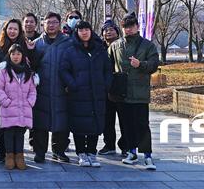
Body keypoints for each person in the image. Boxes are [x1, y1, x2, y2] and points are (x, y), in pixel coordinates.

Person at [108, 12, 160, 170]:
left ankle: (147, 155)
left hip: (139, 93)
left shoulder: (147, 45)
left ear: (137, 27)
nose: (128, 30)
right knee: (126, 124)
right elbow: (108, 67)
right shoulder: (115, 45)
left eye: (131, 27)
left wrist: (141, 65)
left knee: (142, 125)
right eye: (125, 27)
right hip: (121, 92)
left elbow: (154, 64)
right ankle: (131, 152)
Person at [0, 18, 37, 164]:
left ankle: (17, 154)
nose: (12, 31)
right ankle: (3, 152)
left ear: (20, 31)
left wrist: (32, 51)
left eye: (15, 29)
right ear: (5, 30)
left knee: (19, 126)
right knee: (1, 125)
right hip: (1, 95)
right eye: (10, 28)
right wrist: (3, 72)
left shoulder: (25, 47)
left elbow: (34, 66)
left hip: (21, 95)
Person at [59, 21, 112, 168]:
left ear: (91, 31)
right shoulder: (70, 50)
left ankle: (92, 153)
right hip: (78, 93)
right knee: (79, 123)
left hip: (97, 92)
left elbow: (108, 69)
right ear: (76, 32)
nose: (84, 32)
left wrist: (105, 84)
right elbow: (63, 70)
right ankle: (81, 153)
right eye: (80, 30)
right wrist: (73, 84)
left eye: (86, 29)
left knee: (95, 121)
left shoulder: (100, 50)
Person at [31, 12, 71, 164]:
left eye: (55, 22)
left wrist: (70, 83)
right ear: (43, 24)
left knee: (61, 119)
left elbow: (73, 65)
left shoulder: (68, 43)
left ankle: (59, 150)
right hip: (41, 88)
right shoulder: (36, 43)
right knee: (40, 120)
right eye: (48, 22)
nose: (51, 25)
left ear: (60, 24)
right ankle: (40, 151)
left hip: (62, 88)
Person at [0, 44, 37, 170]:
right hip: (8, 108)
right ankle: (10, 156)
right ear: (9, 55)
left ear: (23, 55)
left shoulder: (28, 71)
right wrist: (6, 102)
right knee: (9, 133)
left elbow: (32, 90)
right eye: (13, 54)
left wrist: (30, 102)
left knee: (20, 133)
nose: (16, 56)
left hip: (23, 108)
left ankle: (20, 156)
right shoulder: (4, 71)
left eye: (18, 54)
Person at [98, 19, 128, 156]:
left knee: (124, 118)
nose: (108, 32)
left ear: (117, 32)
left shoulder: (124, 46)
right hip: (104, 87)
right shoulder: (98, 47)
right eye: (105, 30)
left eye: (111, 30)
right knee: (107, 118)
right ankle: (109, 144)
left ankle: (125, 146)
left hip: (120, 86)